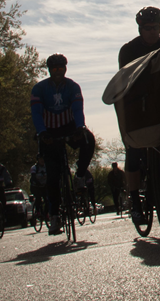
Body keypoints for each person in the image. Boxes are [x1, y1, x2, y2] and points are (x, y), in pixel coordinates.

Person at [30, 54, 95, 235]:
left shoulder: (73, 86)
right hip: (48, 130)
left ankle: (80, 176)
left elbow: (77, 109)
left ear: (65, 69)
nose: (58, 72)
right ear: (49, 71)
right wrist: (42, 133)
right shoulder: (39, 89)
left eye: (61, 69)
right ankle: (54, 216)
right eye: (54, 69)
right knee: (52, 175)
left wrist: (80, 127)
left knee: (88, 140)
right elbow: (36, 113)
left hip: (69, 126)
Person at [117, 6, 160, 221]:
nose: (153, 32)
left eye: (156, 27)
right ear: (140, 29)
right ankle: (135, 202)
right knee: (134, 151)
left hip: (159, 104)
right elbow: (125, 81)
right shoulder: (128, 50)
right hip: (136, 105)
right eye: (148, 28)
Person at [29, 154, 48, 221]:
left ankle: (46, 213)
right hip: (36, 186)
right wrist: (37, 183)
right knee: (38, 197)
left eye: (43, 159)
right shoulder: (34, 168)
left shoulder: (47, 167)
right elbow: (33, 177)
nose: (42, 160)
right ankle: (38, 211)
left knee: (47, 199)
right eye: (40, 159)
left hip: (44, 185)